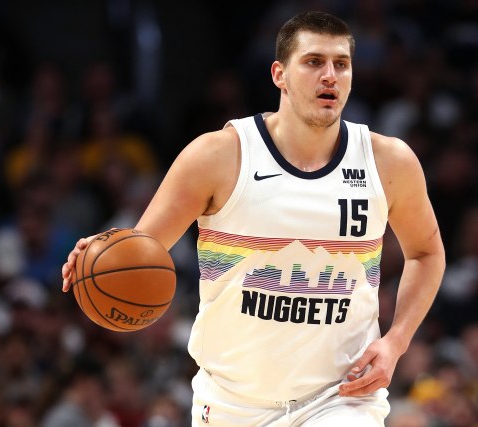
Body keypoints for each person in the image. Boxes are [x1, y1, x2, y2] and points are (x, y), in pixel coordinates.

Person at [61, 10, 445, 426]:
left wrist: (396, 342)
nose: (330, 76)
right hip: (231, 403)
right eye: (314, 62)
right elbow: (140, 253)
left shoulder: (389, 161)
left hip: (340, 398)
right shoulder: (217, 156)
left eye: (341, 64)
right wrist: (100, 258)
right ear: (280, 74)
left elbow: (426, 253)